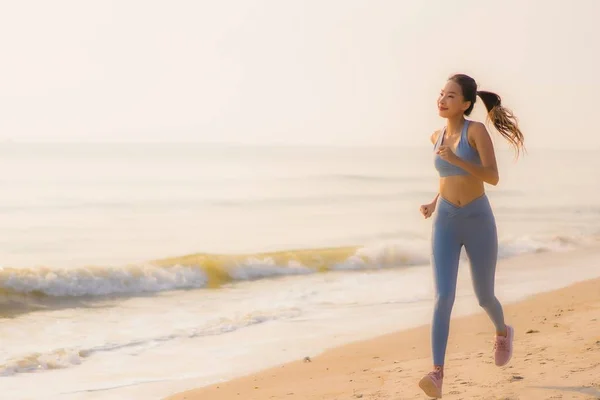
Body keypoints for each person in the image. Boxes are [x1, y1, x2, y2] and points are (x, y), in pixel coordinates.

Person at [417, 73, 525, 398]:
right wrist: (434, 202)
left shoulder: (475, 131)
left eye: (450, 96)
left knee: (484, 296)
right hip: (446, 221)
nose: (442, 99)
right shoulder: (435, 136)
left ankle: (502, 331)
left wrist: (458, 161)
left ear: (465, 103)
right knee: (443, 297)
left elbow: (492, 177)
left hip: (478, 219)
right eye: (441, 93)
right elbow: (446, 178)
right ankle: (437, 374)